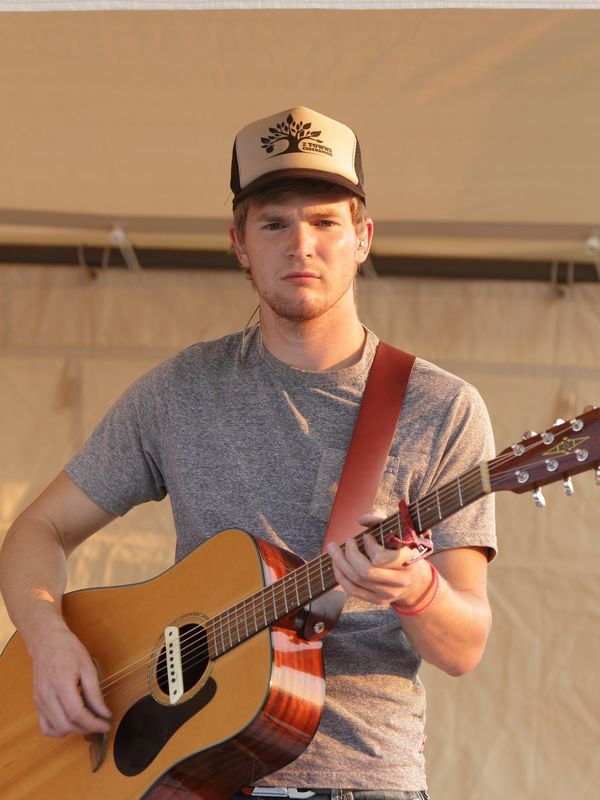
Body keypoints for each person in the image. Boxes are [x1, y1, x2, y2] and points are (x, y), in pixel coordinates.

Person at [0, 106, 496, 799]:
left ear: (363, 237)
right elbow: (37, 529)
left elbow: (464, 647)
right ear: (238, 242)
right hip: (184, 778)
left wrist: (418, 591)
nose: (302, 245)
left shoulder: (439, 407)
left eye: (325, 221)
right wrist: (49, 639)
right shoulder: (179, 390)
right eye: (274, 223)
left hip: (360, 779)